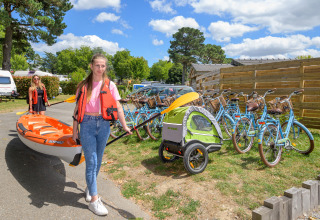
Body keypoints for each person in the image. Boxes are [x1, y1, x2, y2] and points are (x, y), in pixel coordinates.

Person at [72, 54, 132, 216]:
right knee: (91, 162)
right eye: (97, 65)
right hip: (87, 125)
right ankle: (94, 200)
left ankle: (90, 188)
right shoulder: (83, 86)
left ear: (106, 67)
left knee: (97, 161)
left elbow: (118, 107)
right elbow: (77, 110)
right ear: (91, 66)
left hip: (104, 125)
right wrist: (74, 131)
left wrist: (125, 126)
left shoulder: (110, 85)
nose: (100, 68)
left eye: (103, 66)